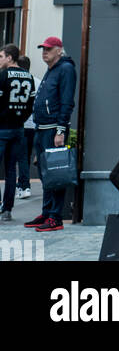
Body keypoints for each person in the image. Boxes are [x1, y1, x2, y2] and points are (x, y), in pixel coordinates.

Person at [23, 36, 75, 234]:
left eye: (49, 49)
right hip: (42, 127)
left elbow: (67, 101)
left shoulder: (66, 69)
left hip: (53, 129)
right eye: (43, 49)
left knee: (56, 173)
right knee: (47, 174)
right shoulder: (52, 69)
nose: (45, 52)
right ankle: (47, 213)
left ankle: (55, 216)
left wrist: (61, 129)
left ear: (59, 50)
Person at [0, 44, 35, 221]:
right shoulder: (29, 77)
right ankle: (7, 209)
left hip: (2, 128)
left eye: (1, 56)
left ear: (10, 58)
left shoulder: (3, 75)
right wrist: (20, 119)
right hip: (18, 128)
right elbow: (31, 105)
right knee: (11, 170)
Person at [15, 56, 35, 199]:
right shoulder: (37, 81)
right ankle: (23, 184)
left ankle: (24, 185)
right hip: (35, 125)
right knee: (26, 156)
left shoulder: (11, 79)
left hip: (21, 124)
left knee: (20, 157)